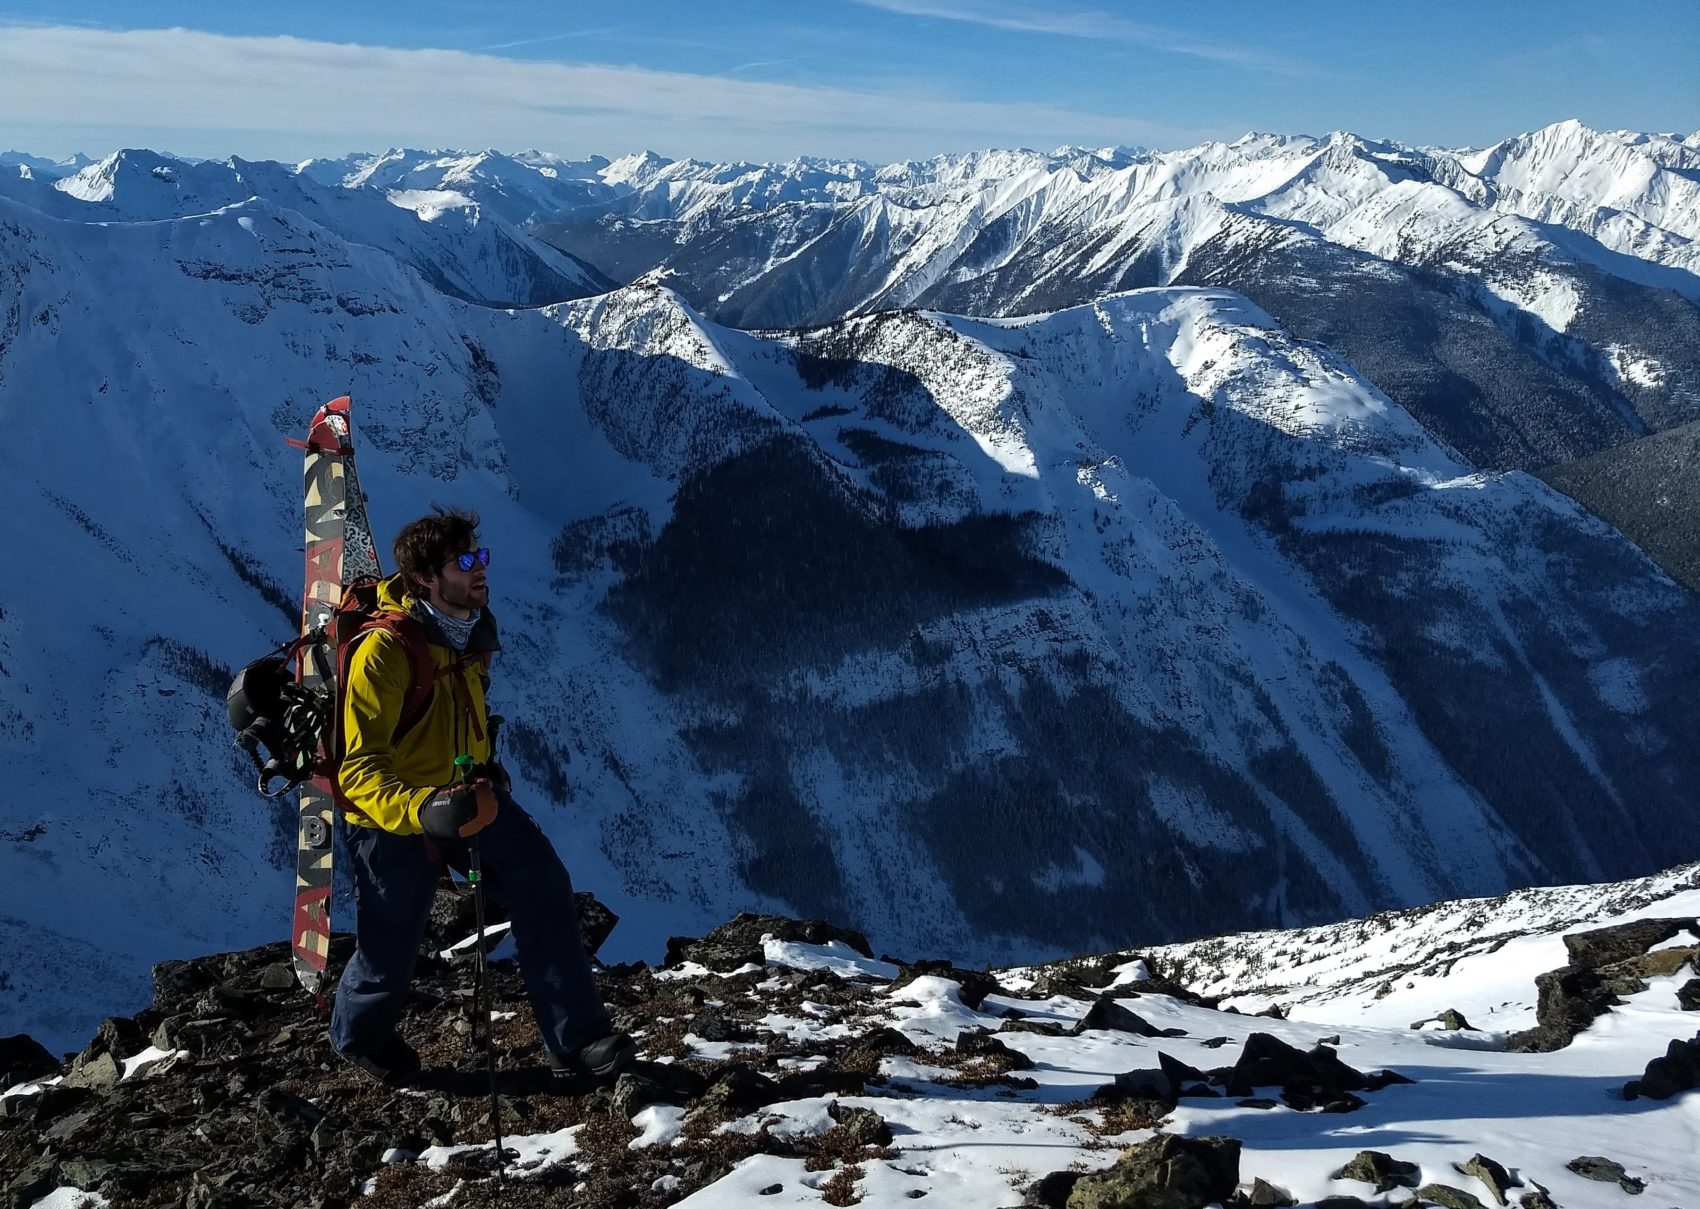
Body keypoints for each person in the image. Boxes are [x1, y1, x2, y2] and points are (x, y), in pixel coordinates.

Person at [327, 506, 635, 1087]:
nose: (480, 571)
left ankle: (579, 1041)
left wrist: (486, 768)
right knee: (390, 944)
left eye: (481, 556)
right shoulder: (385, 653)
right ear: (424, 578)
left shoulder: (468, 630)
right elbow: (359, 771)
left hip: (469, 797)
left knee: (542, 883)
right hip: (392, 818)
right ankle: (358, 1035)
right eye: (465, 562)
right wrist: (422, 809)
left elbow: (462, 717)